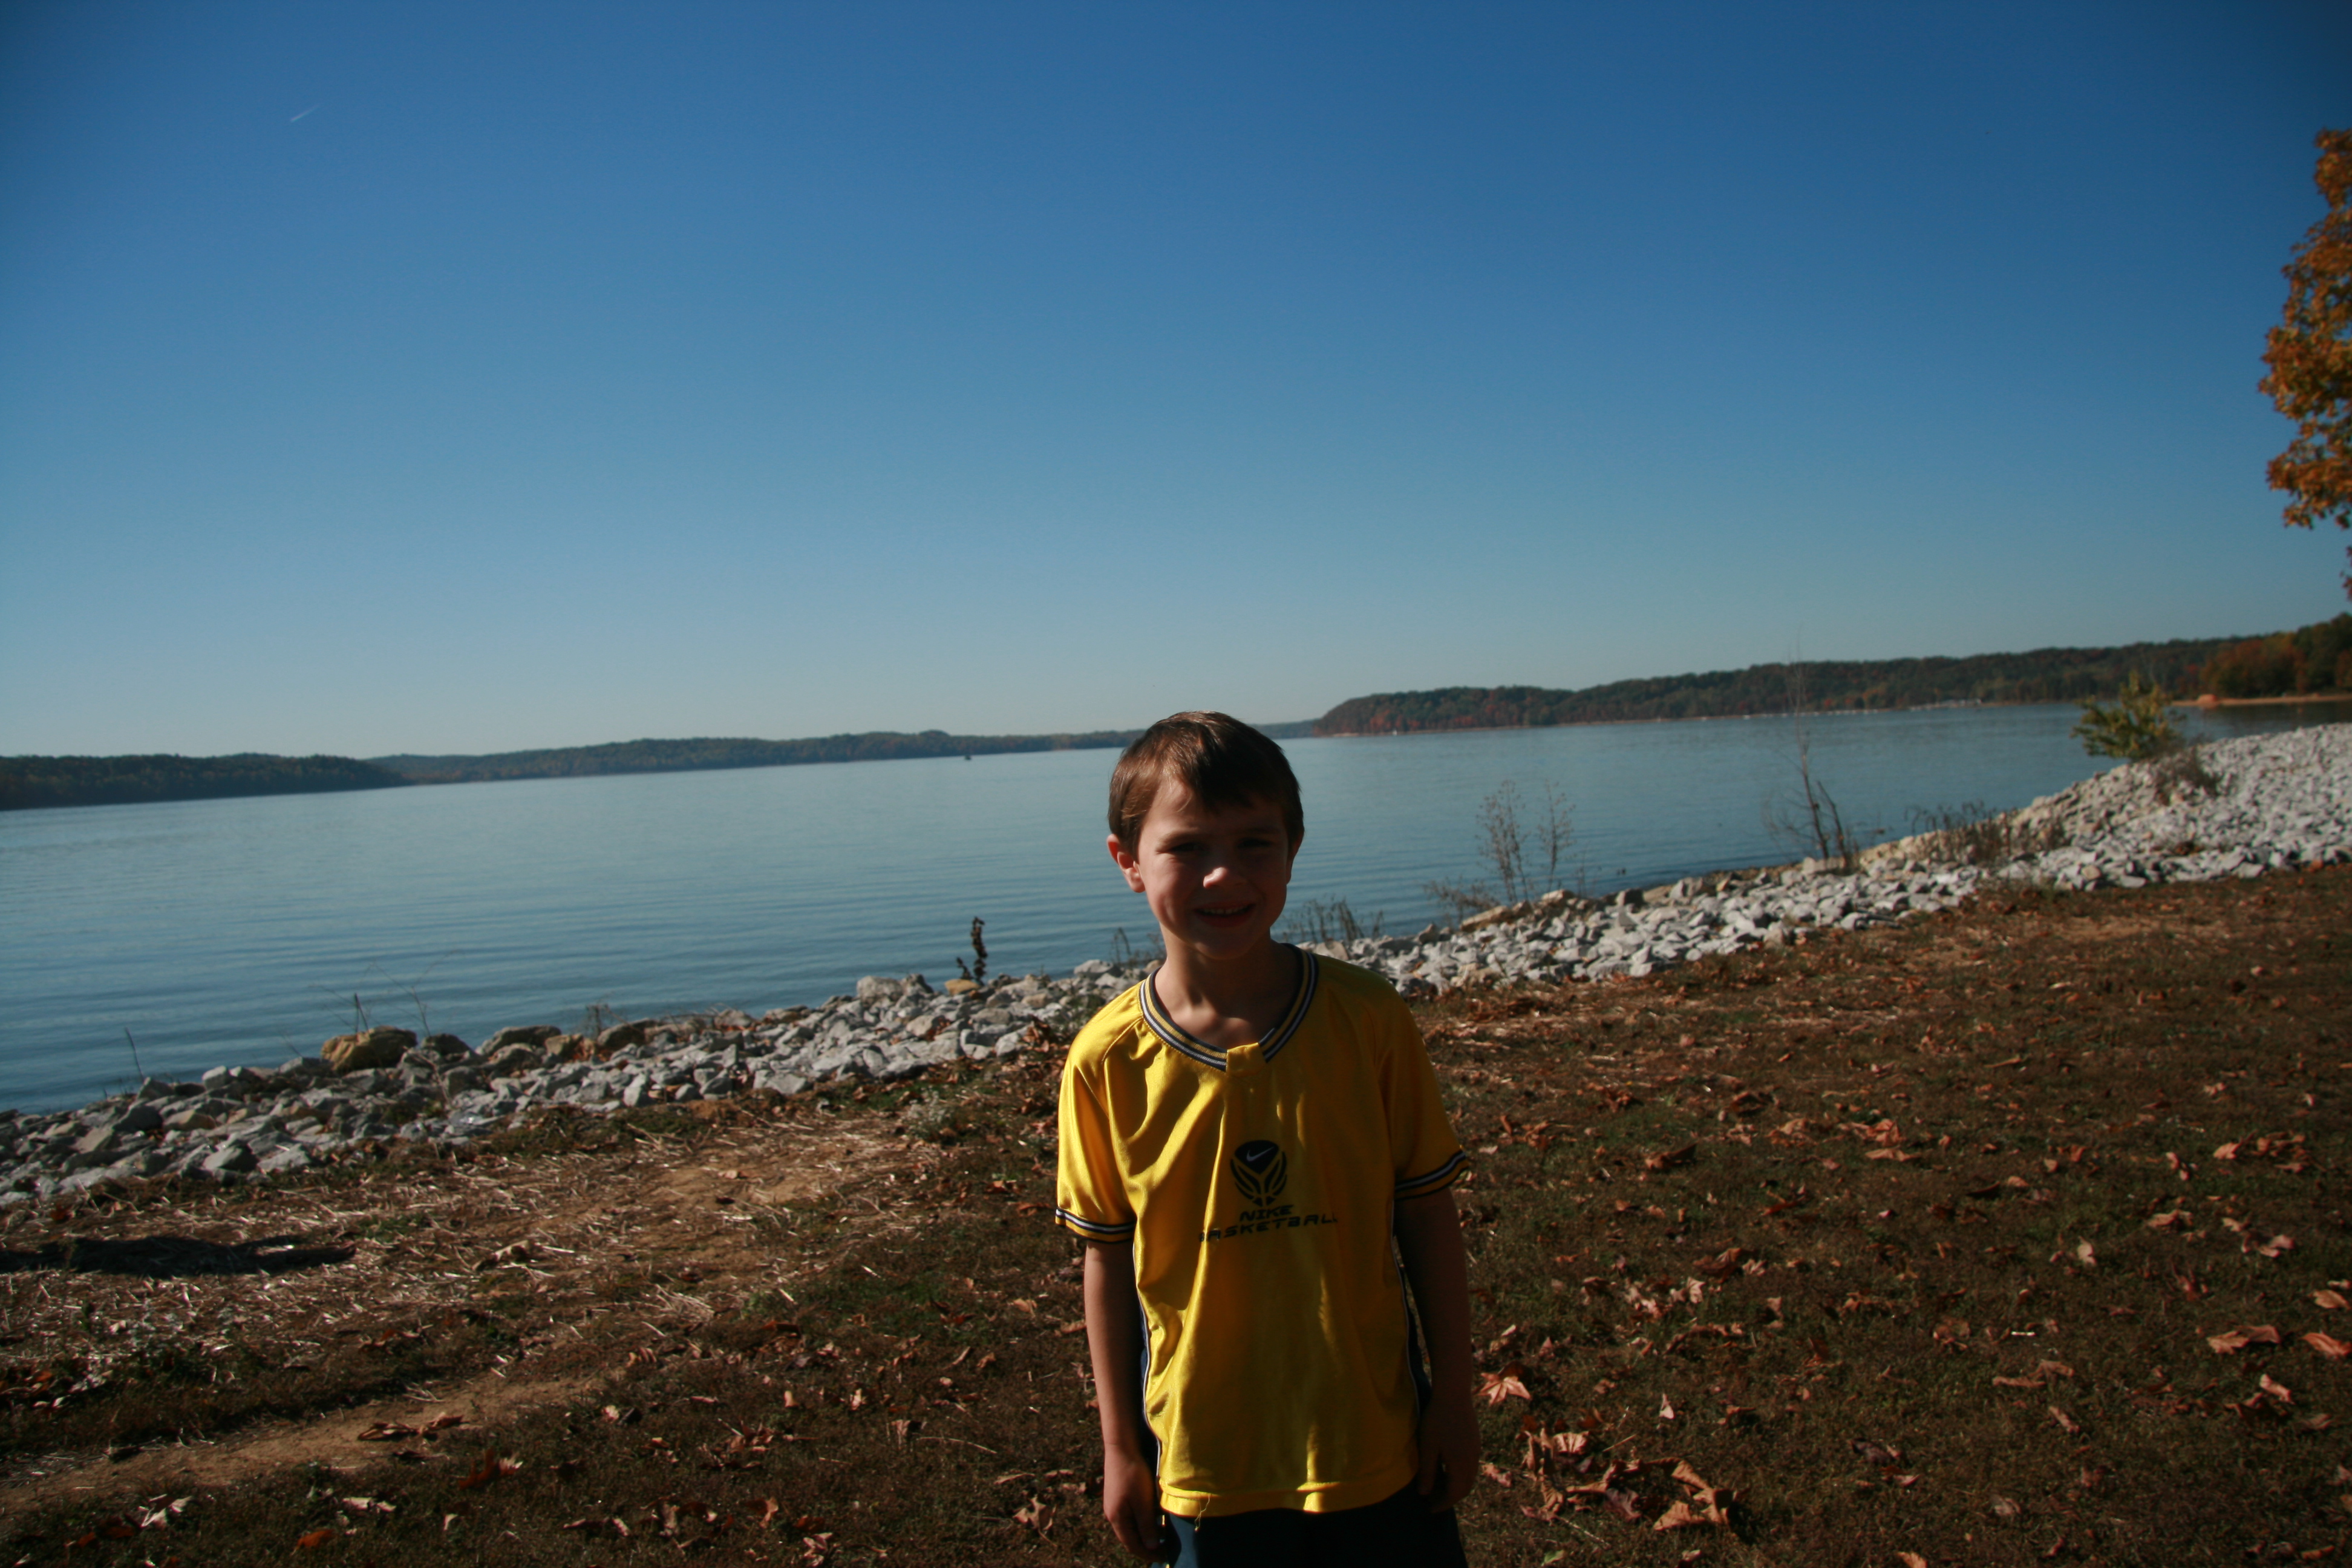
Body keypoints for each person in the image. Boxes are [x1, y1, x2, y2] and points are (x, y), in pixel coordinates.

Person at [1055, 711, 1478, 1567]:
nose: (1225, 874)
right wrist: (1120, 1448)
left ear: (1293, 847)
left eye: (1255, 842)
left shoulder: (1367, 1021)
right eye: (1186, 848)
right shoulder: (1108, 1061)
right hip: (1205, 1462)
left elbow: (1427, 1215)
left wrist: (1457, 1400)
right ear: (1128, 861)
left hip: (1374, 1442)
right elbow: (1106, 1258)